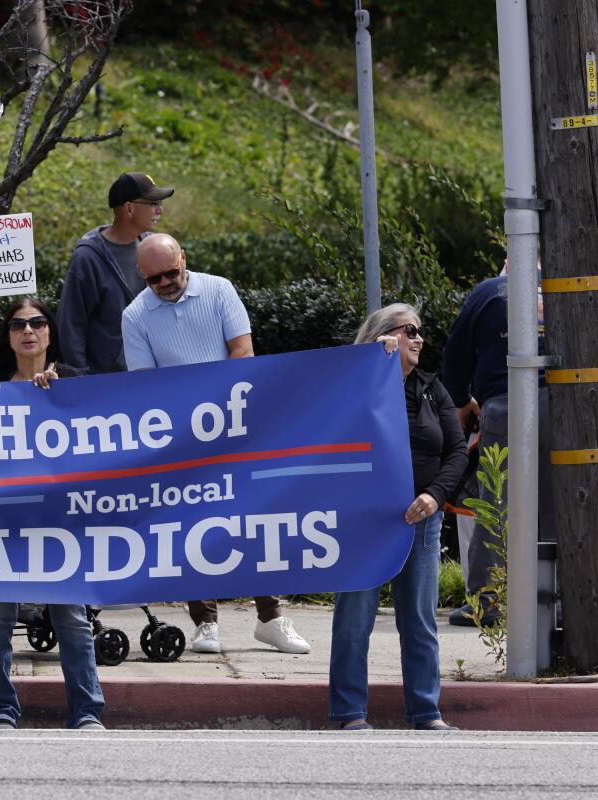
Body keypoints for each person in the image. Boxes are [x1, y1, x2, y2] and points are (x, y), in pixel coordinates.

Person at [121, 233, 311, 656]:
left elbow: (242, 353)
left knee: (252, 518)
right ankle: (205, 623)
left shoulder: (219, 288)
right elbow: (148, 385)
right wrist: (192, 421)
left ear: (184, 257)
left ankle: (272, 618)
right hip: (181, 433)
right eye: (156, 279)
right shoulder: (134, 316)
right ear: (143, 275)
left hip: (237, 421)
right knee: (193, 524)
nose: (167, 282)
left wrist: (215, 410)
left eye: (173, 272)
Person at [0, 297, 104, 730]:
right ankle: (0, 709)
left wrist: (61, 396)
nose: (29, 331)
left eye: (38, 323)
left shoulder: (74, 385)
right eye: (18, 324)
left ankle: (86, 710)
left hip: (61, 521)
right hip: (3, 520)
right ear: (7, 336)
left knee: (72, 620)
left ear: (50, 332)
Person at [329, 304, 468, 731]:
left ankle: (426, 711)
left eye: (420, 331)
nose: (419, 338)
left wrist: (434, 495)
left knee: (419, 621)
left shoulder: (432, 388)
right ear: (383, 334)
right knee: (354, 620)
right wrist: (371, 364)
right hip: (363, 519)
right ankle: (349, 713)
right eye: (409, 331)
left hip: (419, 519)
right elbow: (335, 427)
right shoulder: (354, 382)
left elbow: (457, 451)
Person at [440, 265, 553, 627]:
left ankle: (486, 601)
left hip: (504, 404)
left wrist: (459, 401)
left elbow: (455, 353)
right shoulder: (562, 290)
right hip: (561, 404)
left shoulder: (488, 292)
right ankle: (559, 598)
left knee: (496, 504)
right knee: (558, 502)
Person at [57, 171, 173, 374]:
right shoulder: (88, 258)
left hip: (151, 376)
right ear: (129, 208)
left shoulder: (151, 247)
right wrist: (78, 380)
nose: (159, 211)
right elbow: (71, 325)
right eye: (153, 203)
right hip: (106, 384)